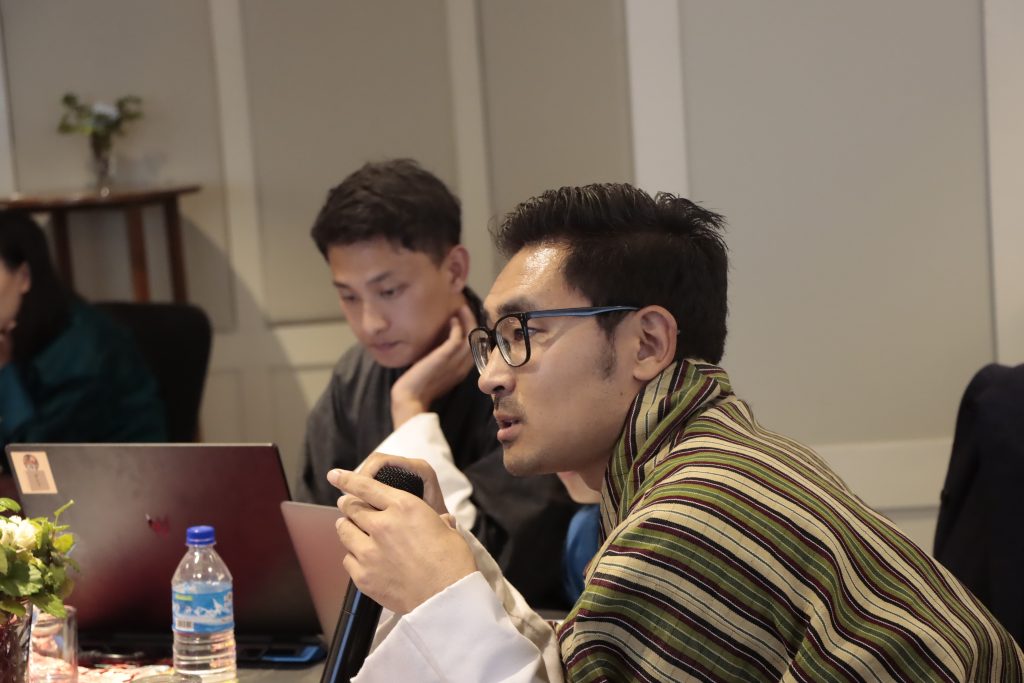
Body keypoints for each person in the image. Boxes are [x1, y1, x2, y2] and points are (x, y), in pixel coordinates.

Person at [327, 183, 1024, 681]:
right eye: (492, 342)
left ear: (648, 342)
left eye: (523, 332)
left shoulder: (690, 516)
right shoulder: (711, 461)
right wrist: (457, 561)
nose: (492, 376)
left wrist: (443, 597)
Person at [295, 159, 575, 608]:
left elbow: (494, 569)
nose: (371, 323)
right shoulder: (353, 377)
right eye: (348, 297)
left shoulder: (522, 370)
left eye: (389, 291)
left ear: (455, 270)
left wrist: (410, 410)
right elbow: (316, 535)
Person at [0, 212, 166, 455]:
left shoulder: (81, 350)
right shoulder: (15, 332)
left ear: (24, 277)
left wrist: (5, 370)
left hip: (126, 472)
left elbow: (32, 458)